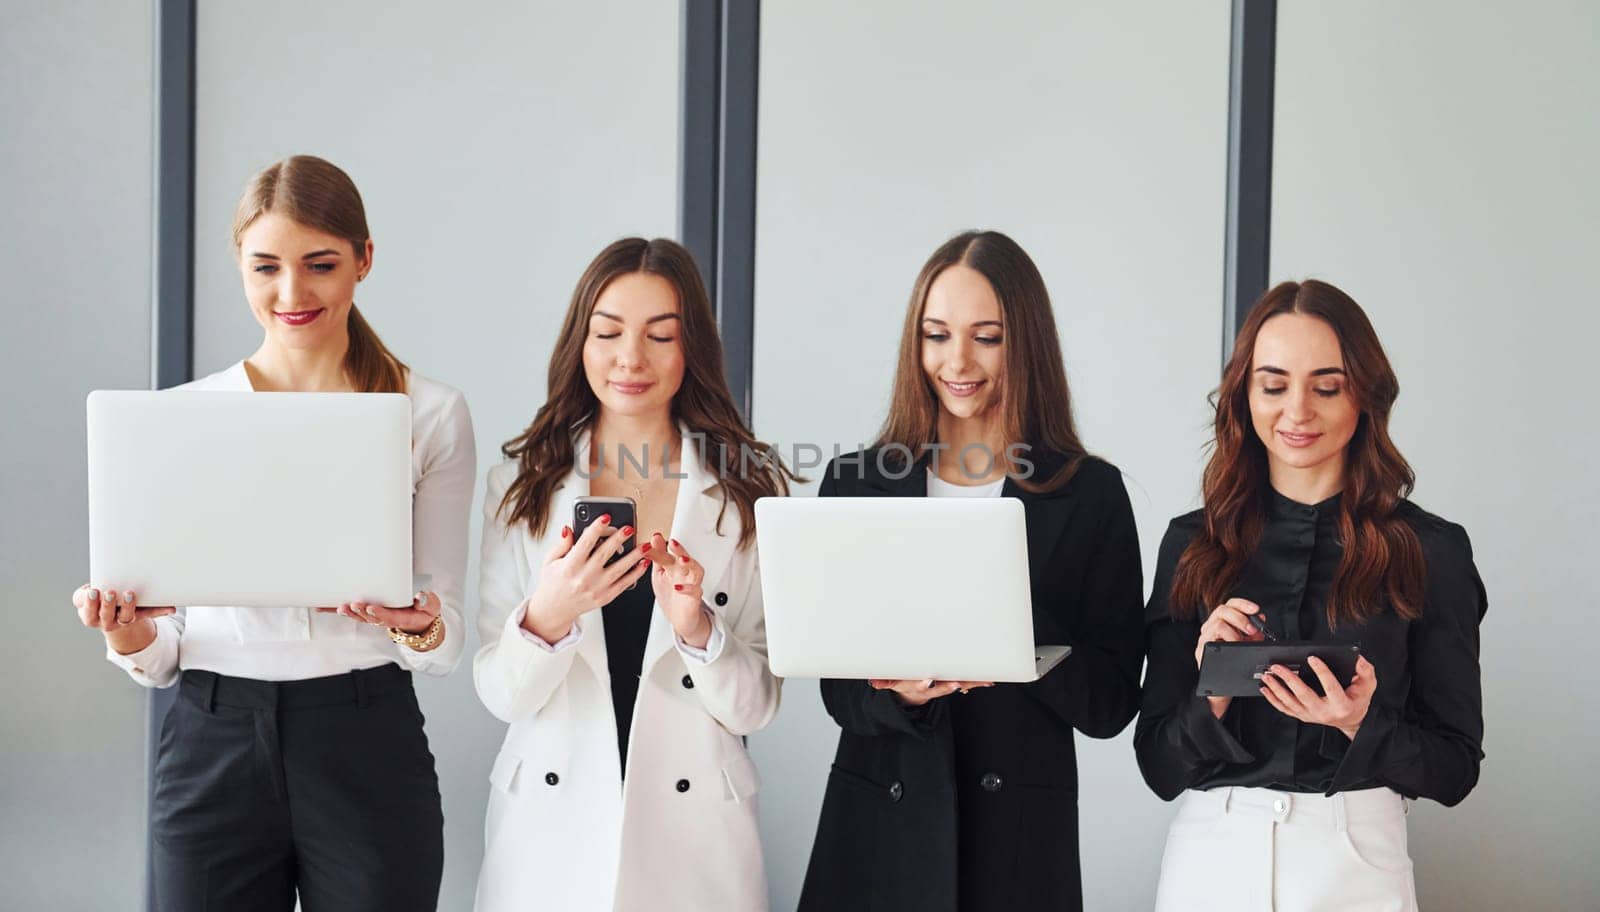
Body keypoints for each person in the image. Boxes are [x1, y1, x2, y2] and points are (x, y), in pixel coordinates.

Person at [74, 154, 476, 911]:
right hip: (210, 738)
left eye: (320, 264)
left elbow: (445, 641)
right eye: (265, 267)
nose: (291, 293)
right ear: (240, 267)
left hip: (365, 739)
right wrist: (126, 635)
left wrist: (417, 625)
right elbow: (164, 659)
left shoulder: (429, 414)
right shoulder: (181, 419)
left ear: (364, 260)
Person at [797, 230, 1145, 912]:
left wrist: (1019, 637)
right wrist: (901, 694)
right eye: (936, 335)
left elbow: (1109, 704)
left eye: (987, 336)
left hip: (1017, 835)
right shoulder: (858, 482)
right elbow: (840, 694)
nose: (957, 361)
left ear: (1027, 343)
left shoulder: (1089, 492)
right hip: (879, 826)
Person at [1135, 279, 1487, 911]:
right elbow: (1158, 769)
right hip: (1211, 856)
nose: (1297, 412)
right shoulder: (1191, 546)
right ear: (1244, 395)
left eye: (1327, 386)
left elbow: (1456, 770)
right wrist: (1210, 694)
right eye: (1273, 386)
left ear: (1365, 396)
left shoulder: (1430, 550)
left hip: (1358, 856)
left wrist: (1359, 722)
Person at [472, 237, 796, 911]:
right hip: (548, 836)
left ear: (692, 350)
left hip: (695, 839)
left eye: (660, 335)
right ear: (580, 342)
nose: (630, 358)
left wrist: (696, 627)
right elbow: (501, 695)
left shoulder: (745, 493)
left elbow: (757, 705)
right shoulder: (522, 484)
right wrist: (547, 617)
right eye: (609, 331)